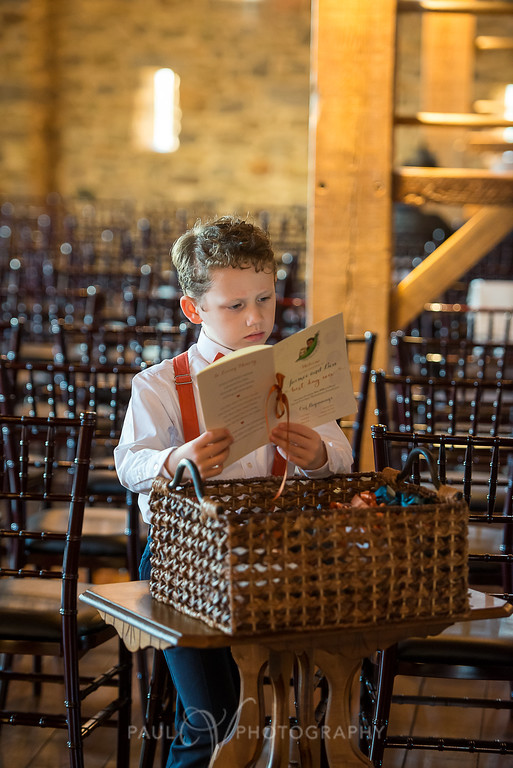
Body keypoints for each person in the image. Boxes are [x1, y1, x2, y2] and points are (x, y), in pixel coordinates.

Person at [114, 215, 353, 767]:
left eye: (265, 300)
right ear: (193, 309)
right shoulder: (160, 384)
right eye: (235, 305)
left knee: (317, 707)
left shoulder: (291, 373)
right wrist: (175, 459)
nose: (256, 318)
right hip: (183, 563)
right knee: (215, 722)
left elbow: (340, 455)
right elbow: (128, 464)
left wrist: (318, 456)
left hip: (281, 555)